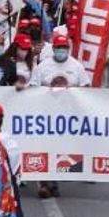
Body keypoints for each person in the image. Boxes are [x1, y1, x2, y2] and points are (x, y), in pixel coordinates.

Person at [29, 34, 90, 198]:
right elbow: (33, 87)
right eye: (58, 48)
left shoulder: (76, 66)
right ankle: (45, 182)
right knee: (45, 146)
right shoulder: (43, 66)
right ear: (53, 48)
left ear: (68, 49)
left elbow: (86, 87)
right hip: (46, 115)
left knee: (62, 148)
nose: (61, 50)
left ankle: (55, 181)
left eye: (64, 48)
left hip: (68, 116)